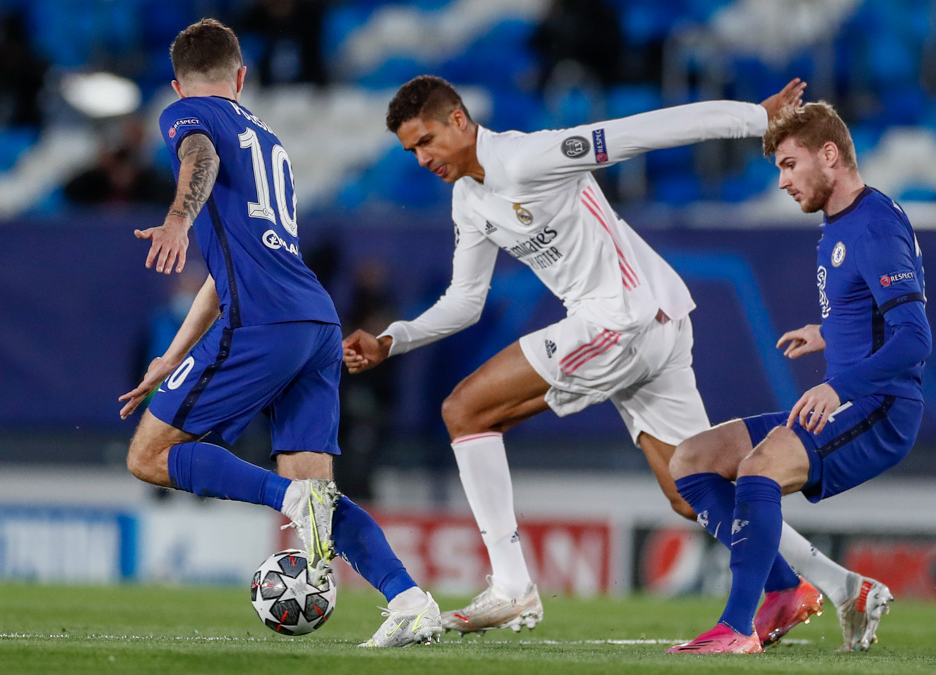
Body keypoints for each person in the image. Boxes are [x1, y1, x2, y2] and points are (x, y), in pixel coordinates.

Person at [343, 75, 883, 645]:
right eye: (411, 151)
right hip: (650, 321)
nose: (422, 158)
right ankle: (836, 585)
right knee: (688, 488)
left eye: (426, 140)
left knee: (464, 409)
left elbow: (646, 131)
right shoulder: (469, 200)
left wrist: (756, 117)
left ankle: (510, 586)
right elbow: (464, 301)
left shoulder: (530, 157)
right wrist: (393, 339)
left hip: (623, 317)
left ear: (458, 120)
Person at [117, 19, 441, 648]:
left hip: (263, 322)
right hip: (316, 323)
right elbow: (225, 274)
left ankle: (286, 499)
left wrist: (176, 218)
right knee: (315, 493)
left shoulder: (188, 119)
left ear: (178, 86)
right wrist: (172, 355)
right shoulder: (271, 144)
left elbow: (199, 157)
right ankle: (409, 600)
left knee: (147, 456)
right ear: (243, 77)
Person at [667, 101, 930, 654]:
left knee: (760, 467)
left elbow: (914, 339)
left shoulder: (875, 224)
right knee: (691, 459)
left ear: (829, 155)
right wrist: (831, 332)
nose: (783, 181)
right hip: (851, 397)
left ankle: (738, 627)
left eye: (790, 164)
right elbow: (874, 313)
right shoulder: (842, 222)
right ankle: (786, 591)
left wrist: (839, 384)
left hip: (880, 407)